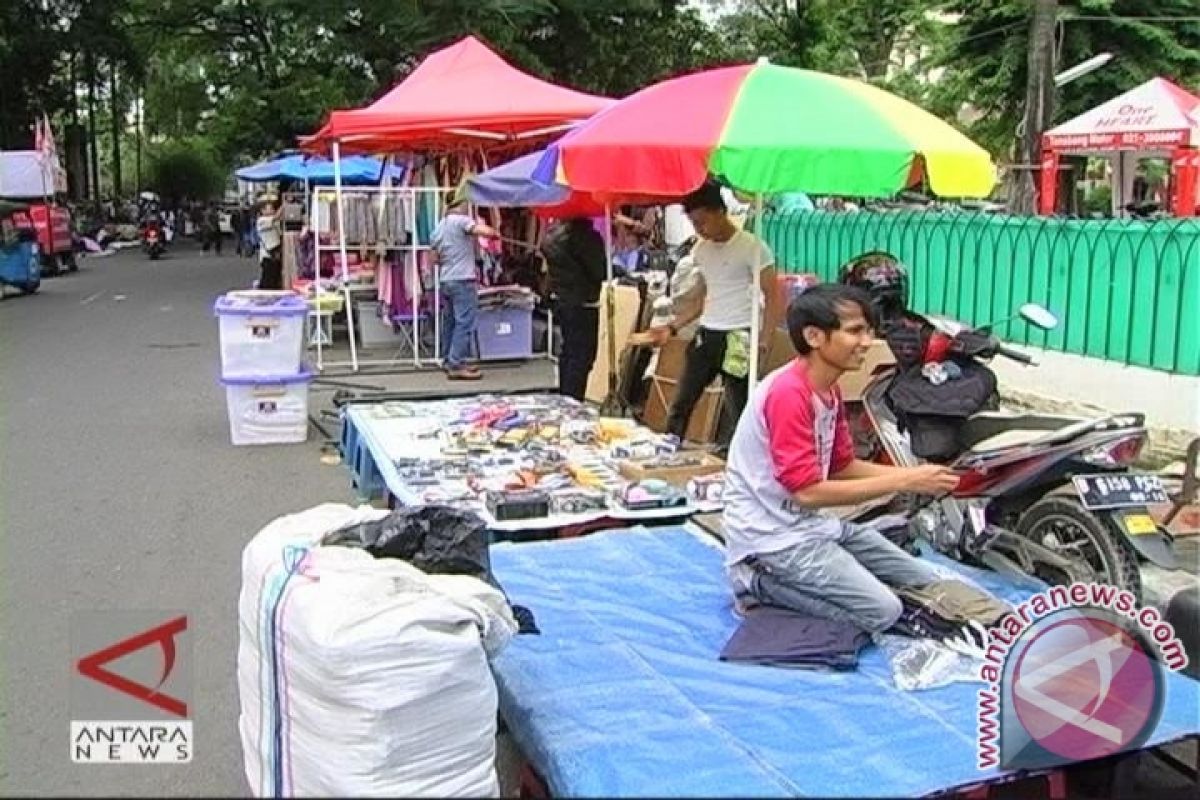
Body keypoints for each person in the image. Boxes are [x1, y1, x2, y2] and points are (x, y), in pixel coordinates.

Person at [721, 284, 961, 633]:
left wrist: (917, 473)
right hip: (772, 539)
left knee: (924, 580)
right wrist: (905, 481)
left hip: (812, 527)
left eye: (868, 330)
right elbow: (807, 492)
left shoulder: (829, 389)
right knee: (883, 611)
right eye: (854, 331)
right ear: (814, 336)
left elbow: (842, 467)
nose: (867, 341)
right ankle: (756, 583)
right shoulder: (788, 394)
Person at [643, 180, 783, 448]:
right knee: (683, 399)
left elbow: (774, 295)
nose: (699, 230)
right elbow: (704, 295)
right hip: (707, 332)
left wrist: (765, 339)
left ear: (720, 212)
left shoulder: (753, 247)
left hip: (739, 334)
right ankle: (670, 447)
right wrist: (672, 327)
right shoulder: (701, 250)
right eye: (694, 224)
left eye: (702, 222)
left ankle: (737, 457)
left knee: (739, 406)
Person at [429, 196, 500, 381]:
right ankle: (455, 363)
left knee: (450, 322)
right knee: (465, 322)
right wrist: (494, 232)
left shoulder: (439, 228)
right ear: (460, 205)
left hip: (446, 279)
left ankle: (449, 359)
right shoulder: (462, 221)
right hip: (462, 279)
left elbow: (434, 259)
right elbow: (482, 230)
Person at [541, 215, 607, 400]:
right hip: (583, 300)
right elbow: (599, 271)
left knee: (569, 350)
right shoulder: (586, 238)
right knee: (582, 355)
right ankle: (574, 398)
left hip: (563, 299)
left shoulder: (553, 236)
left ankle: (566, 395)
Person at [256, 198, 284, 289]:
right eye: (269, 208)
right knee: (268, 280)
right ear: (262, 210)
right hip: (267, 256)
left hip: (276, 254)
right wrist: (284, 205)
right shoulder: (261, 221)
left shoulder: (275, 222)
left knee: (275, 280)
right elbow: (276, 216)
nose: (272, 210)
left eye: (273, 208)